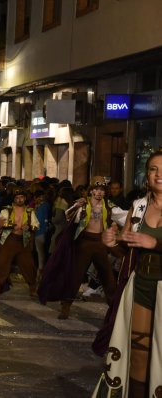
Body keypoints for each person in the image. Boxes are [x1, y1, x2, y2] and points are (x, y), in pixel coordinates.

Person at [93, 152, 162, 398]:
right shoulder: (139, 207)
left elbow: (149, 243)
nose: (159, 174)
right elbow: (127, 250)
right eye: (153, 169)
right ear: (147, 175)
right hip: (142, 285)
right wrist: (111, 243)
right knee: (139, 351)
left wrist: (154, 244)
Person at [55, 176, 126, 319]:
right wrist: (76, 205)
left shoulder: (109, 206)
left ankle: (114, 308)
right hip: (84, 243)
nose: (99, 192)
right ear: (91, 191)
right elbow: (67, 215)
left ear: (105, 192)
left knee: (108, 276)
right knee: (76, 276)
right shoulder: (84, 204)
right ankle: (66, 306)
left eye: (102, 190)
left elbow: (125, 216)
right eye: (96, 189)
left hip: (100, 243)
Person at [0, 188, 39, 297]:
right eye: (17, 198)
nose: (19, 199)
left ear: (25, 198)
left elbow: (36, 225)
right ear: (14, 199)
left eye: (21, 197)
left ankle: (32, 287)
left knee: (28, 264)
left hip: (23, 241)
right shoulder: (7, 210)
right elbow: (1, 221)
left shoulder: (30, 211)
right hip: (9, 240)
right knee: (2, 262)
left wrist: (29, 226)